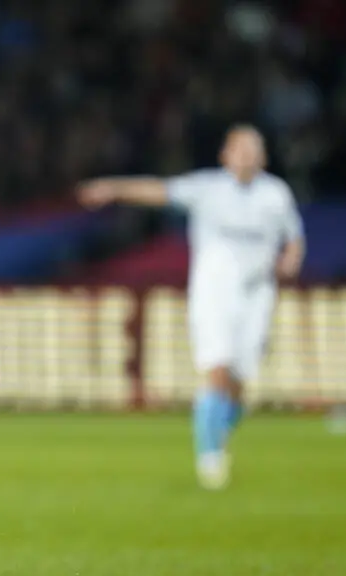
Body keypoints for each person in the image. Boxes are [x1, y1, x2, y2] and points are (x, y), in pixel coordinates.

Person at [77, 124, 305, 490]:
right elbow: (158, 190)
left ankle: (218, 431)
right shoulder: (207, 189)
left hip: (258, 293)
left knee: (238, 381)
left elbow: (294, 238)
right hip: (215, 293)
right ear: (225, 155)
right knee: (217, 369)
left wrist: (291, 260)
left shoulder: (276, 194)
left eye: (253, 149)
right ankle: (209, 456)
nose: (247, 156)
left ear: (263, 157)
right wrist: (113, 188)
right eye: (240, 149)